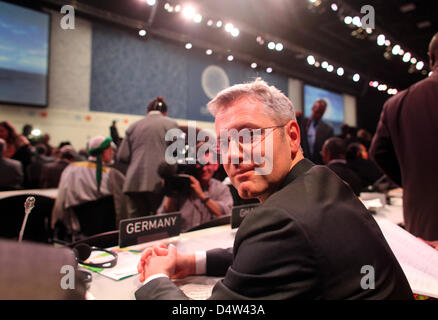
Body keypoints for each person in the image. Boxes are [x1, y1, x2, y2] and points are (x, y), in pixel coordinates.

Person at [135, 78, 413, 300]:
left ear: (292, 136)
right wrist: (190, 261)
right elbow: (264, 253)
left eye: (249, 135)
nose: (232, 154)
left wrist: (155, 279)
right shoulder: (323, 182)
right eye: (224, 143)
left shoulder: (280, 220)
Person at [370, 32, 438, 241]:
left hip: (424, 227)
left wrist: (412, 182)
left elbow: (378, 152)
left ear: (431, 58)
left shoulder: (397, 104)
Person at [52, 136, 129, 238]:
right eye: (110, 149)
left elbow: (61, 201)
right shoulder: (112, 174)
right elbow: (123, 207)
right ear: (103, 151)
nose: (112, 153)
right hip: (106, 230)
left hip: (79, 228)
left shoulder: (71, 169)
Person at [117, 96, 178, 217]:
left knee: (134, 226)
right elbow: (179, 154)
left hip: (132, 183)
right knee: (157, 224)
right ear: (165, 113)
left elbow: (122, 156)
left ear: (147, 111)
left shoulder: (133, 126)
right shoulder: (171, 124)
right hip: (158, 183)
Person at [157, 149, 233, 232]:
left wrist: (202, 195)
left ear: (216, 165)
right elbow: (164, 220)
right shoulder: (181, 184)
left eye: (208, 164)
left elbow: (227, 215)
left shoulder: (221, 188)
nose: (203, 168)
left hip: (210, 237)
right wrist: (170, 191)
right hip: (183, 237)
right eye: (200, 164)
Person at [299, 99, 334, 164]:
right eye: (317, 111)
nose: (318, 115)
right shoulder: (301, 122)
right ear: (312, 108)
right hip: (302, 162)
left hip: (319, 165)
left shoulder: (328, 130)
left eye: (321, 112)